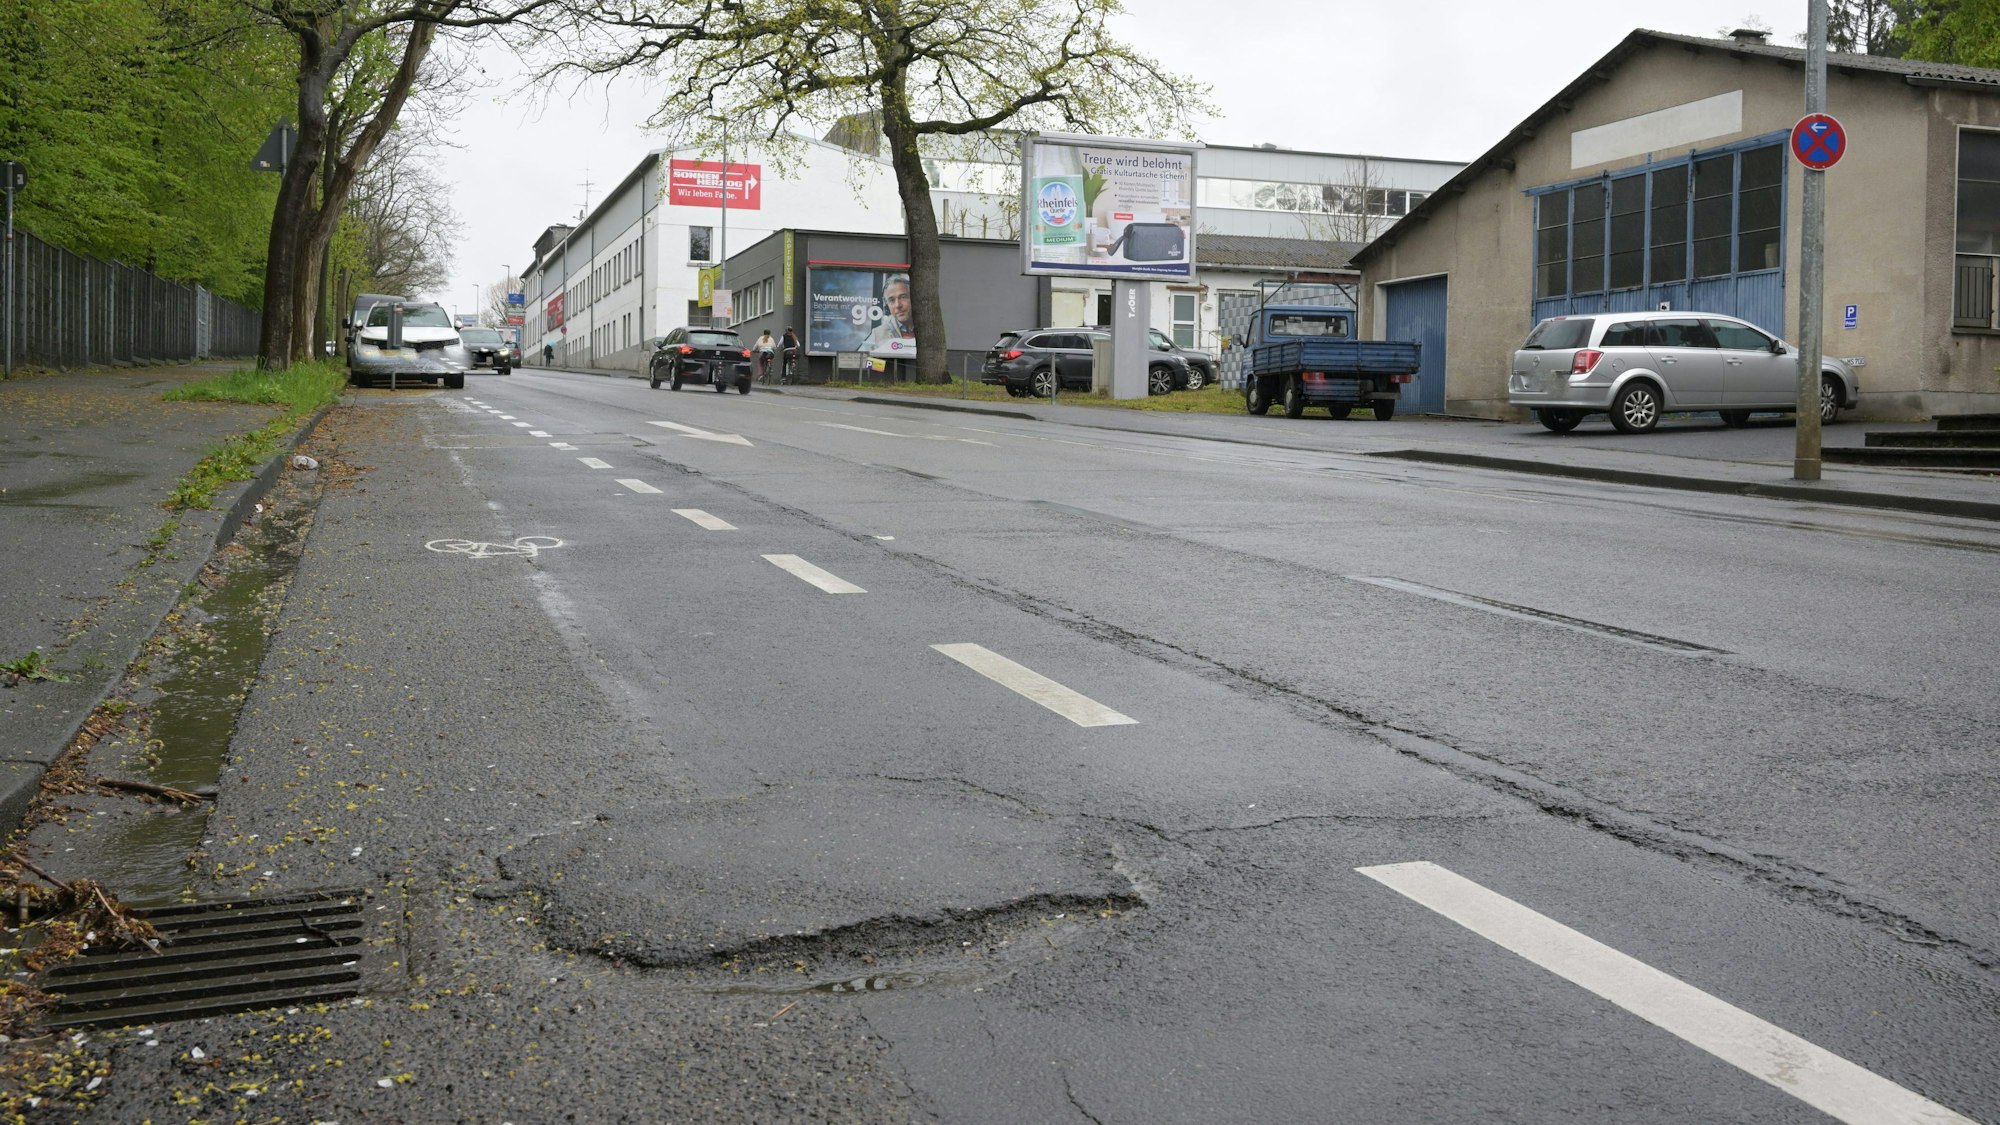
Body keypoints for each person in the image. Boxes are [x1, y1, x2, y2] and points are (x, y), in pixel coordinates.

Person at [860, 273, 915, 353]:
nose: (898, 305)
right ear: (887, 307)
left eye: (903, 297)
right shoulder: (878, 334)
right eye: (891, 300)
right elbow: (861, 359)